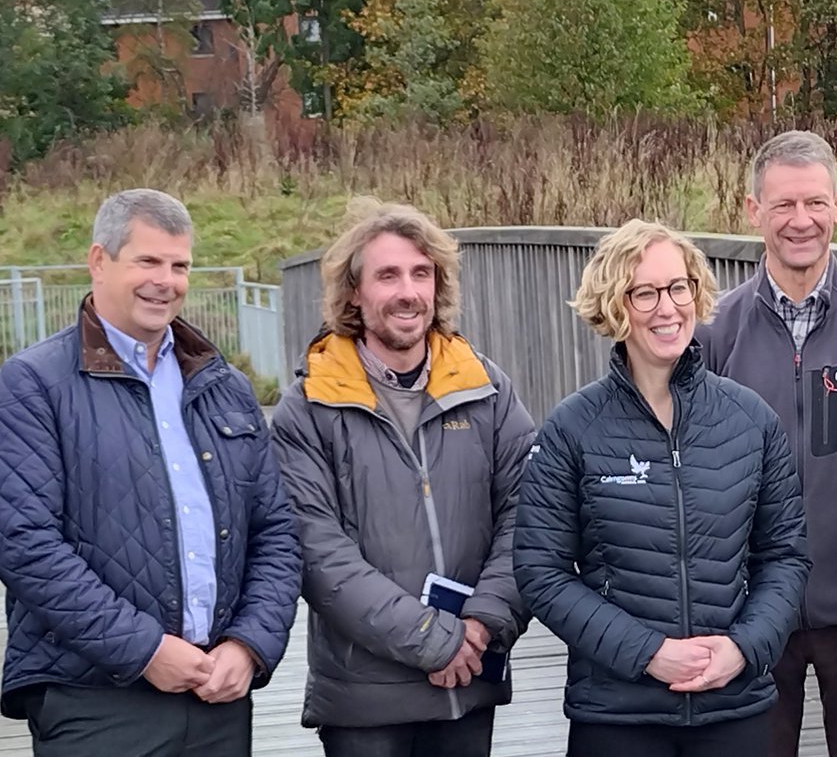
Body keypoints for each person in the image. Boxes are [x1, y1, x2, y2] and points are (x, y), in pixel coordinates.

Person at [0, 188, 301, 756]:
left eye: (180, 265)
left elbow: (277, 534)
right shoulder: (33, 384)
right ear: (98, 261)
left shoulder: (225, 389)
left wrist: (249, 644)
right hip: (94, 699)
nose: (166, 280)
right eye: (148, 261)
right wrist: (144, 650)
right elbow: (25, 545)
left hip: (216, 697)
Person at [514, 219, 811, 757]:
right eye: (644, 293)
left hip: (735, 704)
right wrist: (647, 652)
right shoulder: (572, 427)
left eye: (678, 287)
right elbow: (542, 571)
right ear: (614, 304)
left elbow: (786, 556)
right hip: (617, 713)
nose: (667, 308)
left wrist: (744, 649)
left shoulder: (750, 420)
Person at [270, 198, 536, 757]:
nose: (407, 292)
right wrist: (433, 640)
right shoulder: (309, 406)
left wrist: (484, 623)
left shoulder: (486, 388)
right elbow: (318, 553)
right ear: (353, 293)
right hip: (366, 700)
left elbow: (529, 514)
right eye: (387, 275)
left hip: (470, 681)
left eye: (421, 274)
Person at [696, 130, 837, 757]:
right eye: (783, 205)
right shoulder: (713, 333)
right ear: (752, 211)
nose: (800, 221)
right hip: (750, 607)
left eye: (815, 203)